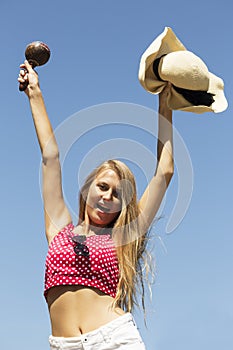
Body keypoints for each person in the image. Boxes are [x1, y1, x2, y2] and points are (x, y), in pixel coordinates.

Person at [18, 59, 174, 349]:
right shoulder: (58, 229)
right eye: (103, 187)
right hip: (64, 344)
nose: (108, 197)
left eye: (117, 195)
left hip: (114, 339)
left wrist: (165, 103)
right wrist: (34, 93)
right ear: (87, 189)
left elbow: (164, 172)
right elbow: (50, 157)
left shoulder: (124, 238)